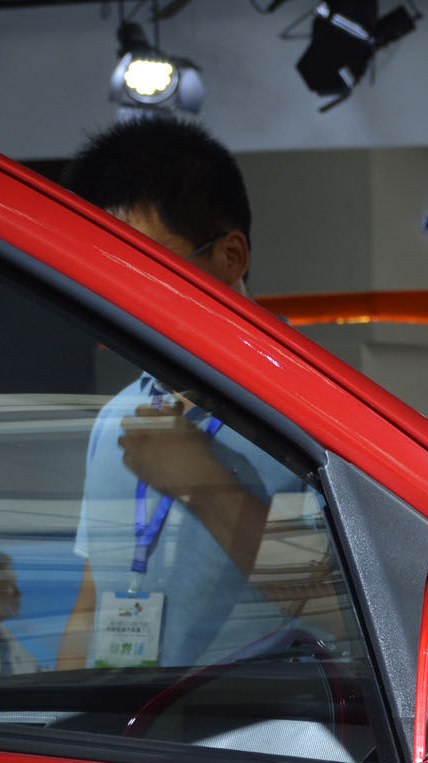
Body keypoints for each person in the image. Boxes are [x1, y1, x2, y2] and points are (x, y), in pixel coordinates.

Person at [55, 118, 299, 670]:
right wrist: (64, 711)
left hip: (257, 718)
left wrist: (204, 484)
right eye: (107, 279)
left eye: (150, 272)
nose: (127, 304)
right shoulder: (119, 417)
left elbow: (327, 603)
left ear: (231, 256)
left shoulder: (313, 411)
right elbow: (90, 606)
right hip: (123, 716)